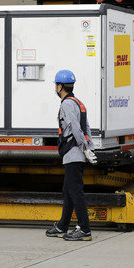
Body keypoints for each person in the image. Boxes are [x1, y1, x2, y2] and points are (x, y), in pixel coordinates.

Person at [45, 70, 97, 241]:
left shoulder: (67, 104)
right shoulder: (78, 102)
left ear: (60, 86)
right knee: (68, 191)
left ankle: (85, 229)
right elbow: (86, 127)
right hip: (77, 153)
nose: (55, 87)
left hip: (73, 152)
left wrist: (83, 147)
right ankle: (62, 226)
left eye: (56, 85)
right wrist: (89, 147)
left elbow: (75, 126)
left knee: (75, 192)